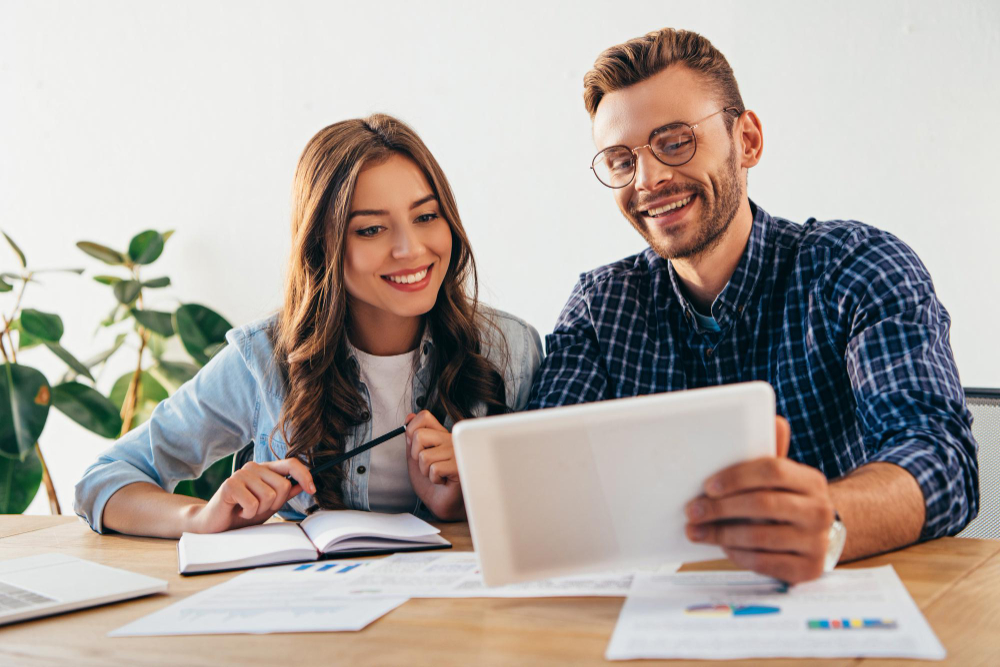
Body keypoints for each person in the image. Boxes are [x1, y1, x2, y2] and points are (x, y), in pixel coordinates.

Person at [527, 28, 977, 583]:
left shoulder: (859, 267)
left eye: (674, 142)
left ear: (748, 141)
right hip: (651, 608)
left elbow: (942, 460)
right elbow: (539, 480)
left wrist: (829, 521)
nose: (649, 180)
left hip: (833, 604)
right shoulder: (600, 307)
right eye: (622, 160)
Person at [75, 114, 542, 537]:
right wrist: (200, 516)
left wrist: (464, 501)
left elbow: (559, 507)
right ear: (323, 246)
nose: (410, 249)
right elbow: (104, 479)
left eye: (426, 217)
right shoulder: (265, 359)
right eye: (371, 229)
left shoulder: (512, 351)